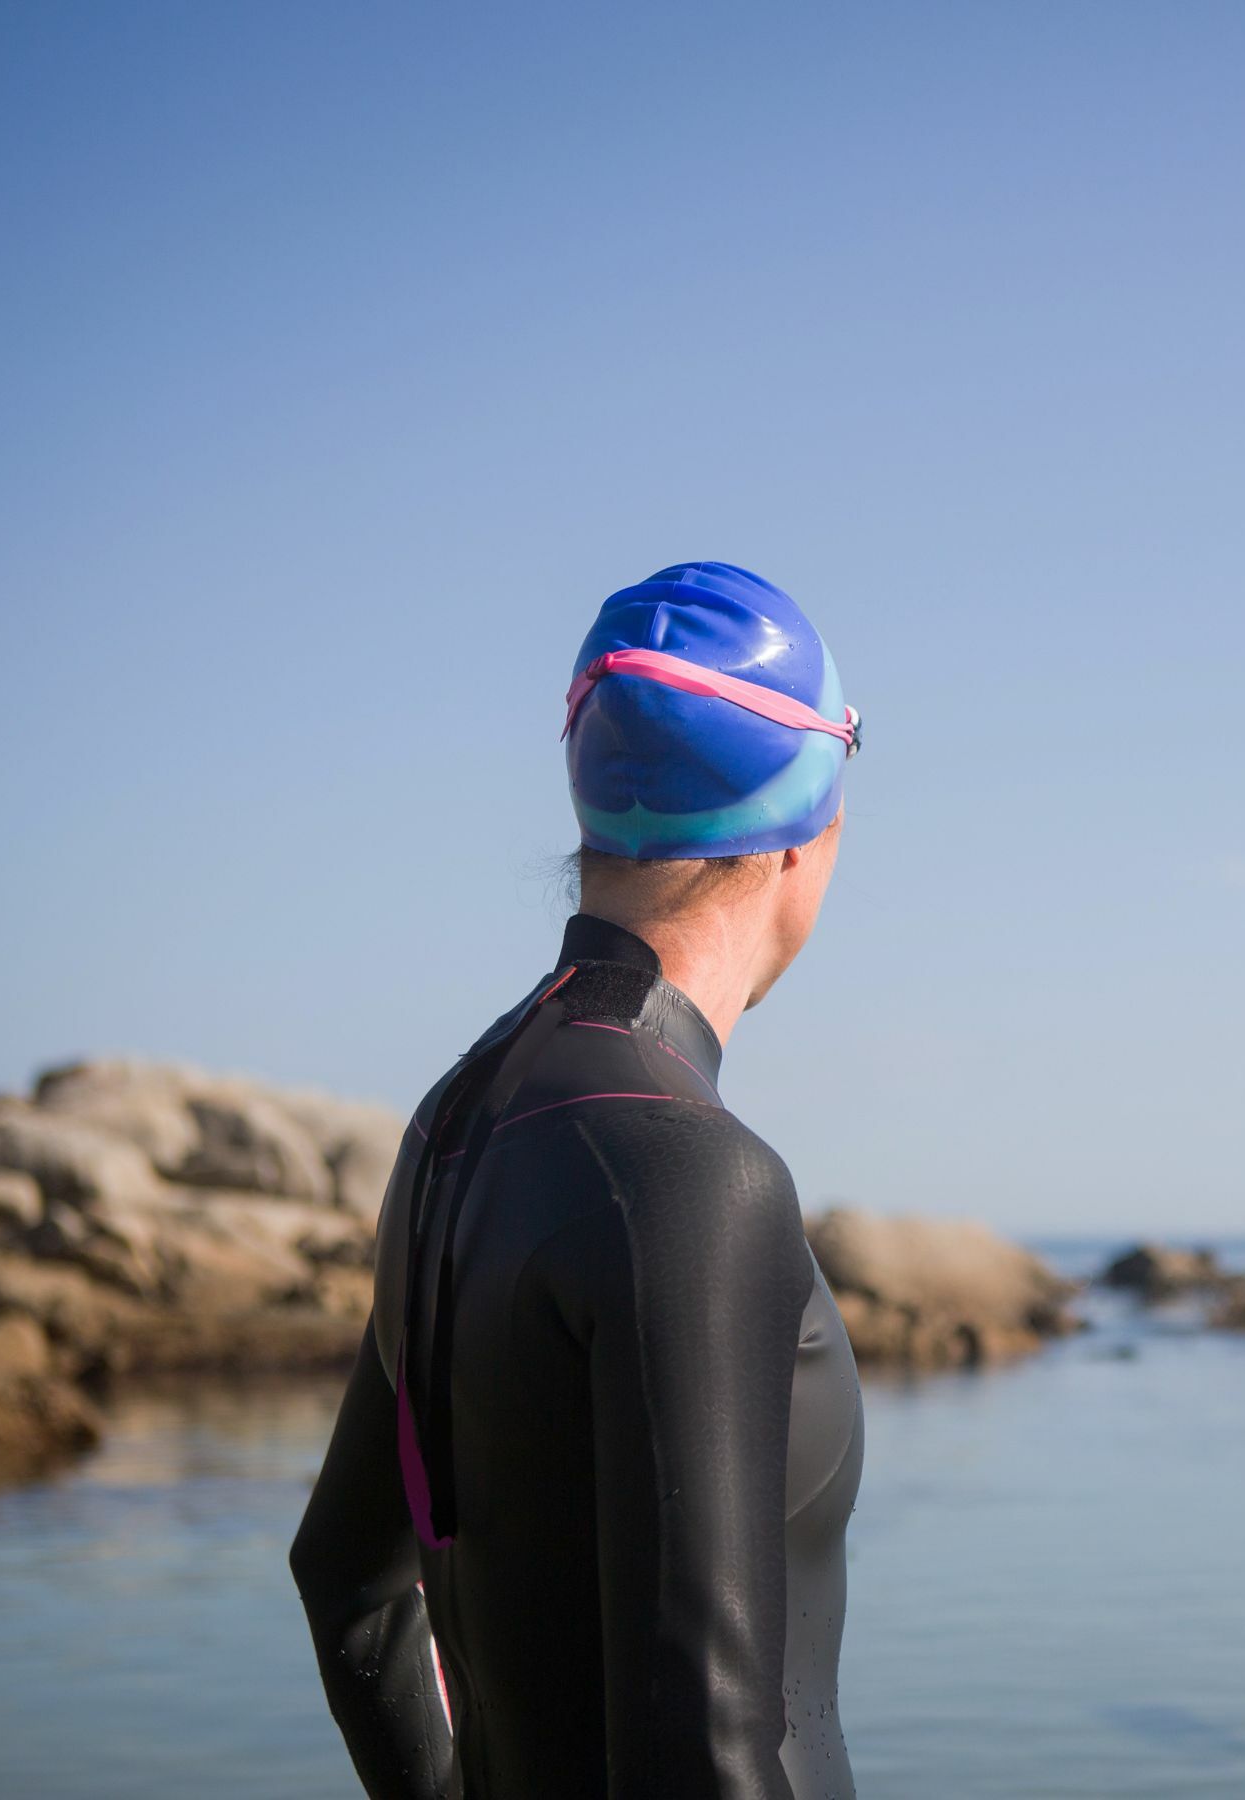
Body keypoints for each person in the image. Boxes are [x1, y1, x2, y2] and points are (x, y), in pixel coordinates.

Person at [289, 561, 867, 1799]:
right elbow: (704, 1750)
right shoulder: (689, 1175)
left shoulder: (457, 1121)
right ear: (803, 836)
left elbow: (348, 1580)